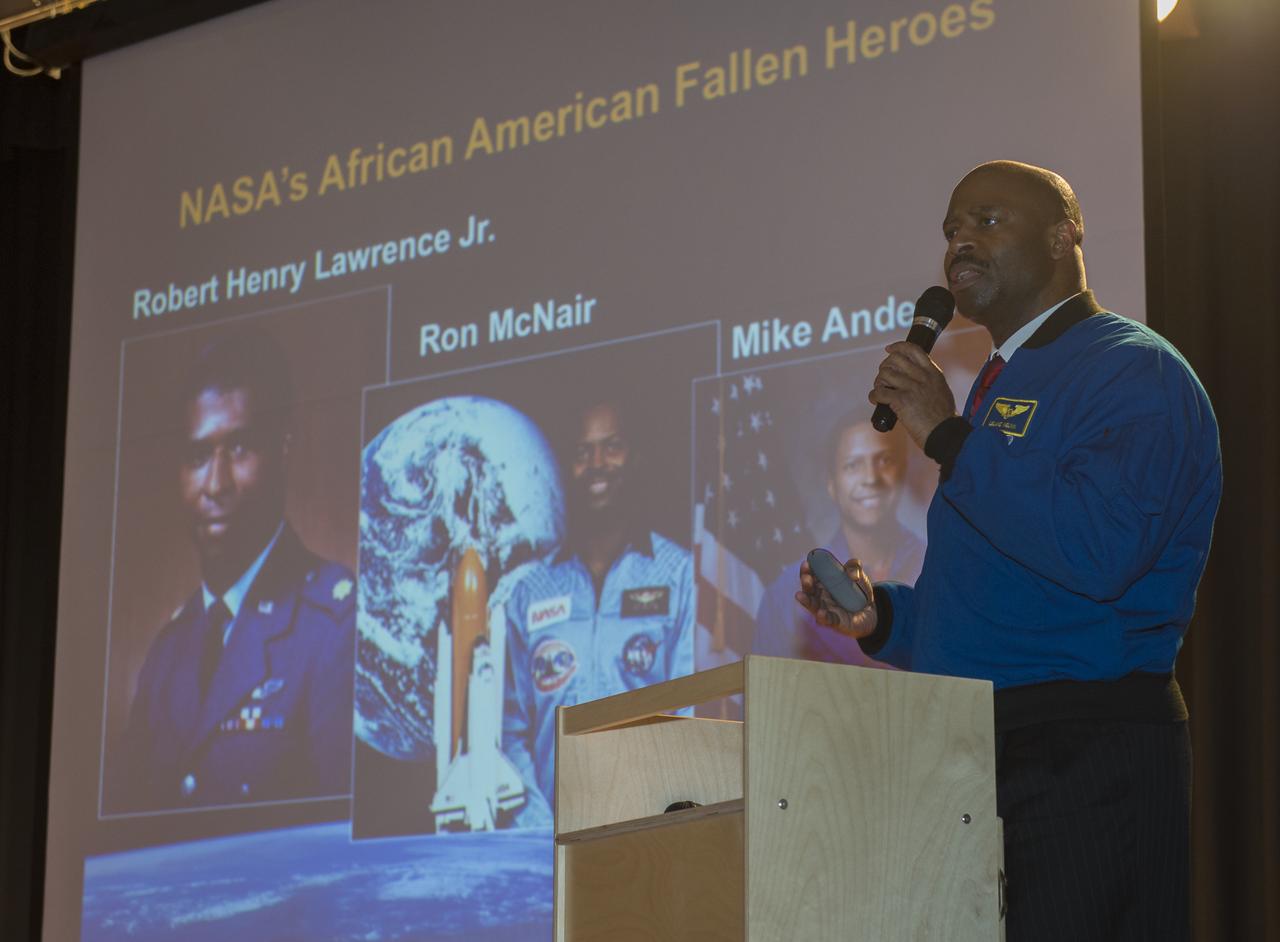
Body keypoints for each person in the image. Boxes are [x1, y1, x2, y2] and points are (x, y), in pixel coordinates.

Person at [797, 161, 1220, 940]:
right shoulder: (999, 385)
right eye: (953, 228)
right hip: (974, 757)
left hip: (1085, 757)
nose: (960, 241)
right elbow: (999, 599)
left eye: (988, 221)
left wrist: (952, 436)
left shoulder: (1133, 368)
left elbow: (1100, 550)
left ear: (1064, 237)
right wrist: (883, 620)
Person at [111, 331, 355, 812]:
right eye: (198, 458)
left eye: (239, 449)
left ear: (283, 449)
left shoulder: (335, 628)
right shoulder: (167, 653)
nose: (215, 485)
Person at [502, 399, 694, 825]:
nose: (597, 464)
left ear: (637, 458)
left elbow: (691, 711)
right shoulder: (529, 592)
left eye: (613, 446)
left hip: (649, 828)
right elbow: (510, 728)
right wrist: (538, 829)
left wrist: (662, 816)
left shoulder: (678, 574)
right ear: (564, 468)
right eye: (581, 452)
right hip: (549, 840)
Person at [753, 415, 922, 664]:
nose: (871, 478)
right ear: (831, 484)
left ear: (903, 471)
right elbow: (765, 694)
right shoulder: (784, 594)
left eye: (884, 460)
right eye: (853, 465)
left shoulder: (939, 567)